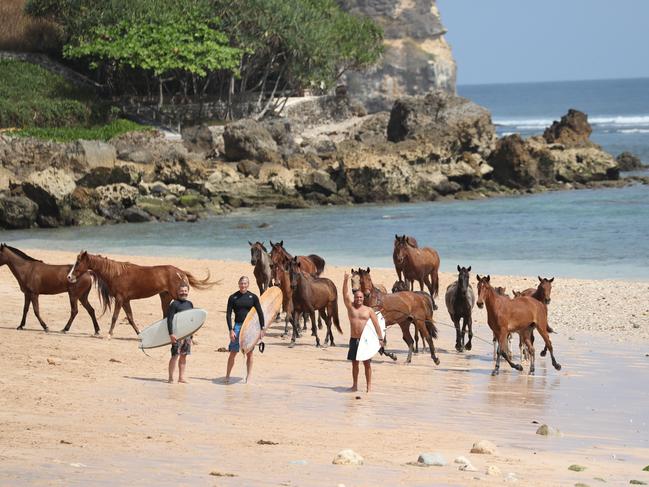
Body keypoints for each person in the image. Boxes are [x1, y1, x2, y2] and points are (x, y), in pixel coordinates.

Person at [342, 272, 384, 393]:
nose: (359, 299)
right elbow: (344, 294)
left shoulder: (369, 310)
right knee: (355, 364)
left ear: (363, 298)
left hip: (365, 341)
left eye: (360, 297)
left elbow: (377, 325)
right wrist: (345, 280)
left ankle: (368, 387)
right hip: (354, 339)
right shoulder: (351, 308)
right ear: (354, 298)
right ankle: (355, 385)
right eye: (357, 297)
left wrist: (380, 339)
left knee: (367, 364)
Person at [225, 276, 264, 384]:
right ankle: (227, 375)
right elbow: (228, 314)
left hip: (249, 328)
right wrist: (230, 330)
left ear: (248, 284)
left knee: (250, 353)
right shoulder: (233, 297)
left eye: (245, 283)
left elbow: (260, 313)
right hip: (237, 327)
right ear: (239, 284)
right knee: (233, 352)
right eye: (241, 283)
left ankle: (249, 376)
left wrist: (262, 329)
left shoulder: (253, 297)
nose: (243, 285)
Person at [167, 283, 193, 384]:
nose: (183, 293)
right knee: (175, 355)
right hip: (177, 334)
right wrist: (171, 333)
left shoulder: (190, 304)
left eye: (185, 291)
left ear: (188, 292)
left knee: (183, 355)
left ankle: (181, 377)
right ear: (178, 292)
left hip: (187, 335)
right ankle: (170, 378)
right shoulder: (174, 304)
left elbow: (192, 320)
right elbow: (169, 319)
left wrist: (191, 334)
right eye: (181, 291)